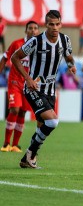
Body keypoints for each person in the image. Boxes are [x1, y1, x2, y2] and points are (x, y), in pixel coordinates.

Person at [11, 10, 76, 169]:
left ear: (61, 24)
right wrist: (28, 79)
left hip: (50, 90)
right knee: (52, 120)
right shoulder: (35, 41)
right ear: (46, 25)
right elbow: (14, 57)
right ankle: (30, 154)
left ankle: (29, 159)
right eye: (51, 24)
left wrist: (71, 66)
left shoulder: (65, 40)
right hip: (33, 88)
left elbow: (68, 56)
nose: (54, 27)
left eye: (57, 24)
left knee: (41, 125)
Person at [0, 21, 39, 152]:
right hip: (15, 82)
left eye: (35, 28)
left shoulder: (40, 47)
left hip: (28, 85)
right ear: (26, 31)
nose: (33, 30)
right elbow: (4, 58)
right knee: (14, 110)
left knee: (22, 112)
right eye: (30, 28)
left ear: (38, 31)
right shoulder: (17, 44)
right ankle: (6, 144)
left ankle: (15, 145)